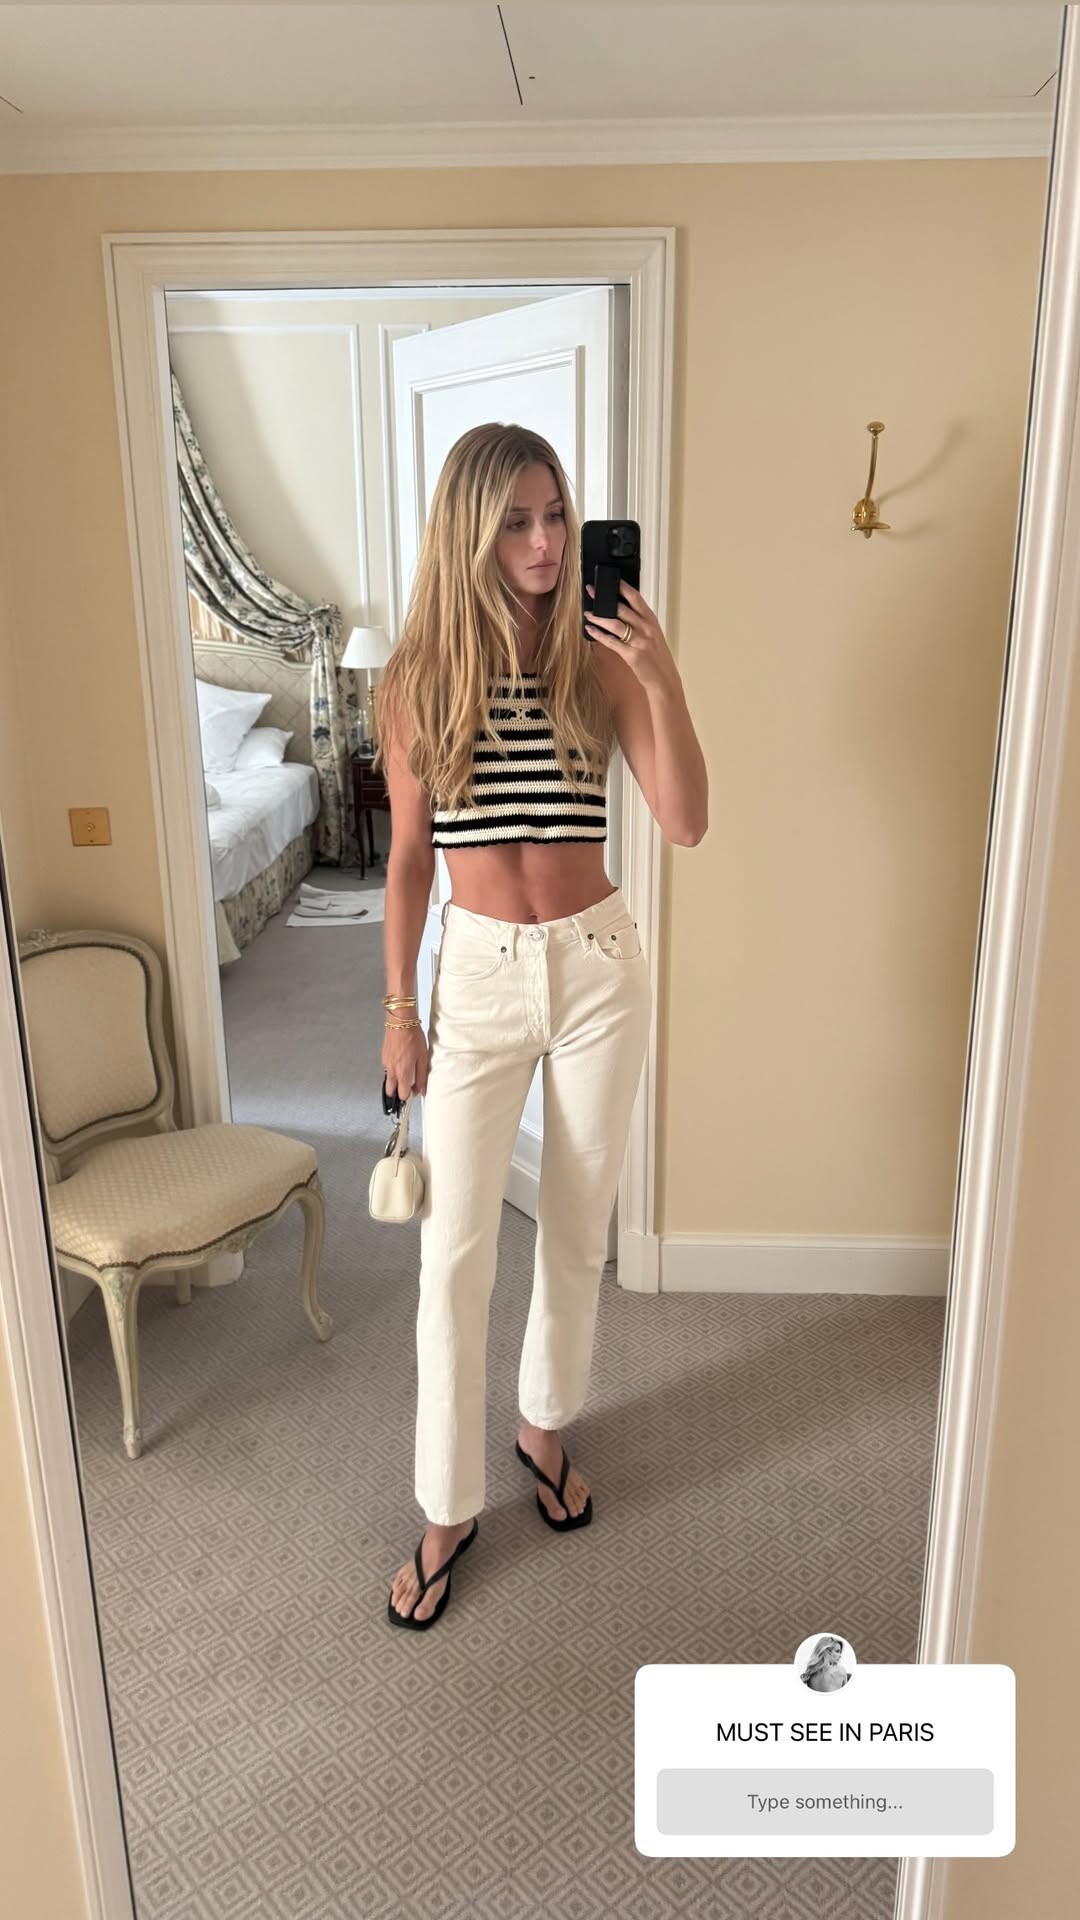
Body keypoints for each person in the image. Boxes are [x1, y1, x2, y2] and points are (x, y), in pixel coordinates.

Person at [372, 422, 708, 1629]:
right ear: (470, 530)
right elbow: (410, 862)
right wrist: (399, 1008)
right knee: (453, 1253)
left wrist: (662, 677)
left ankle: (544, 1426)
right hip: (477, 975)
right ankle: (445, 1506)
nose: (546, 541)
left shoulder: (598, 657)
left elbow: (685, 823)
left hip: (599, 967)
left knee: (575, 1227)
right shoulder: (417, 679)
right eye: (516, 520)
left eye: (556, 514)